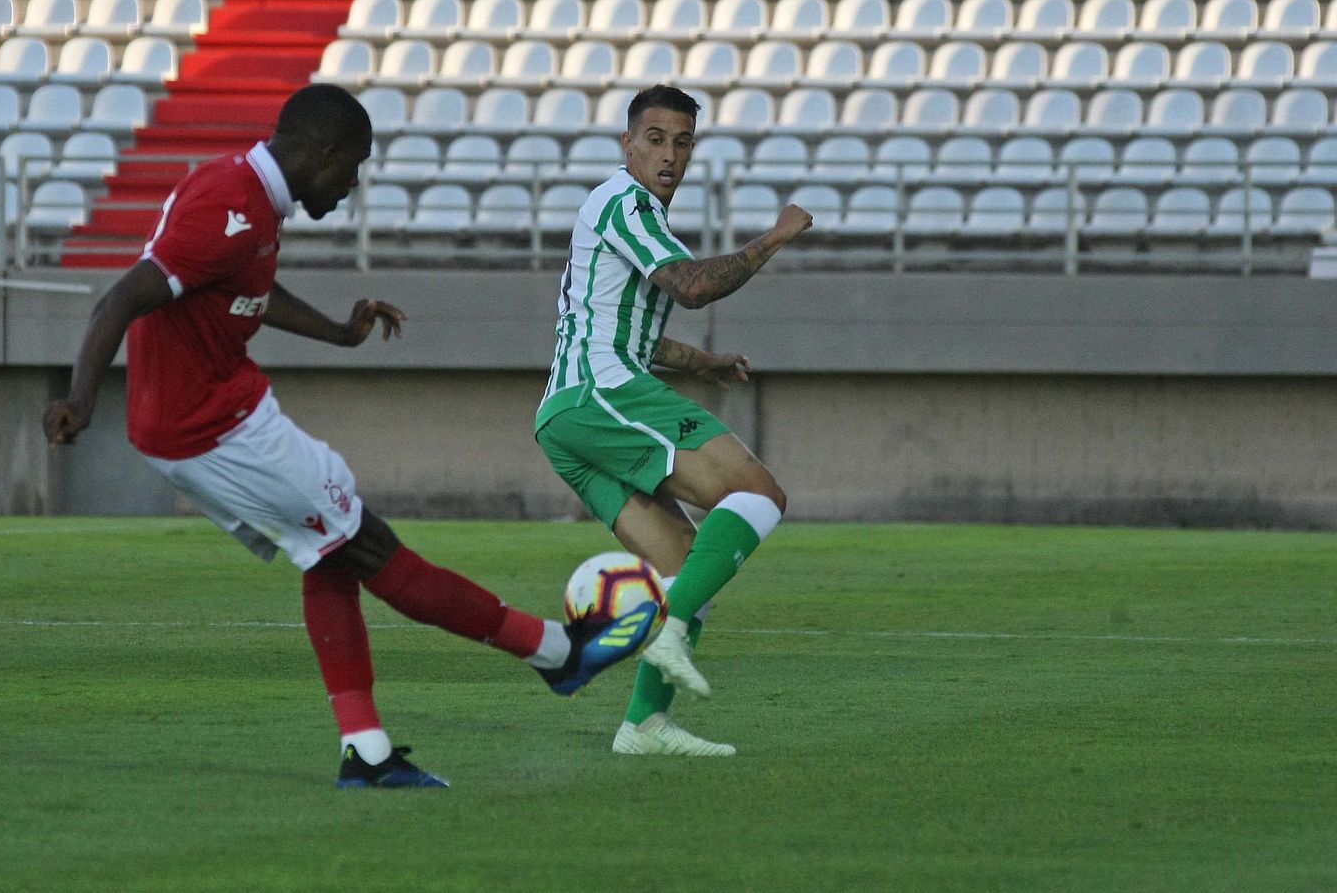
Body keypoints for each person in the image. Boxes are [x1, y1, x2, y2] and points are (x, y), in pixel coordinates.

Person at [43, 84, 657, 789]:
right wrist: (79, 400)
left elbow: (236, 287)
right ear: (323, 152)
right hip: (209, 427)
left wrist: (338, 332)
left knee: (328, 553)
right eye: (353, 168)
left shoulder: (245, 195)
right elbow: (120, 298)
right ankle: (554, 653)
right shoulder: (228, 204)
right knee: (368, 544)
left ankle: (367, 754)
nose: (353, 184)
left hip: (226, 407)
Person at [534, 84, 813, 757]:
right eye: (655, 140)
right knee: (758, 493)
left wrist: (701, 362)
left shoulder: (626, 216)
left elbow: (630, 330)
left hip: (567, 414)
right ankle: (671, 630)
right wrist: (774, 237)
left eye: (682, 142)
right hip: (602, 392)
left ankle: (643, 725)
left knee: (687, 568)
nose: (668, 155)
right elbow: (691, 287)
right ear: (627, 144)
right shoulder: (627, 202)